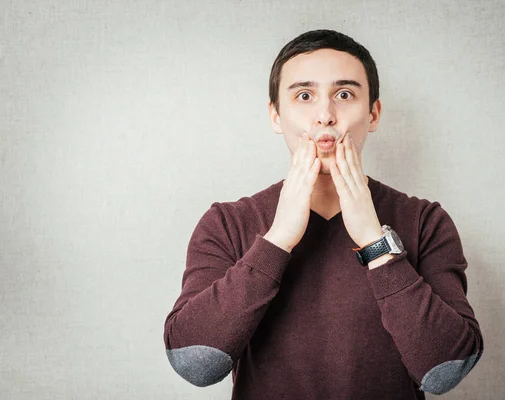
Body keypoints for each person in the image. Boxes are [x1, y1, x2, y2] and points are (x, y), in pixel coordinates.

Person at [163, 29, 483, 399]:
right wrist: (278, 238)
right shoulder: (227, 223)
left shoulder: (425, 222)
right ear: (276, 116)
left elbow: (445, 370)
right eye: (304, 95)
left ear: (373, 113)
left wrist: (375, 243)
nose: (325, 115)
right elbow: (194, 363)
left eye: (344, 95)